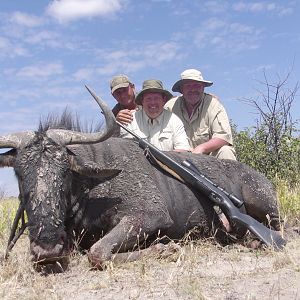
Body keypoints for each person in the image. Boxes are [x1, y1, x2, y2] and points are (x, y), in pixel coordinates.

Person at [165, 69, 236, 160]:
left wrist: (201, 148)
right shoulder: (170, 106)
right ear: (181, 89)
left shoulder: (213, 105)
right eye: (188, 86)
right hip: (179, 157)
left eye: (197, 85)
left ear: (203, 88)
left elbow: (223, 137)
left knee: (226, 151)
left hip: (209, 157)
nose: (193, 89)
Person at [120, 79, 190, 152]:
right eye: (148, 99)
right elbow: (125, 151)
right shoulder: (130, 120)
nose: (152, 102)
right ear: (142, 101)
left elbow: (183, 150)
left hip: (166, 163)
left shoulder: (174, 120)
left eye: (156, 98)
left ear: (164, 100)